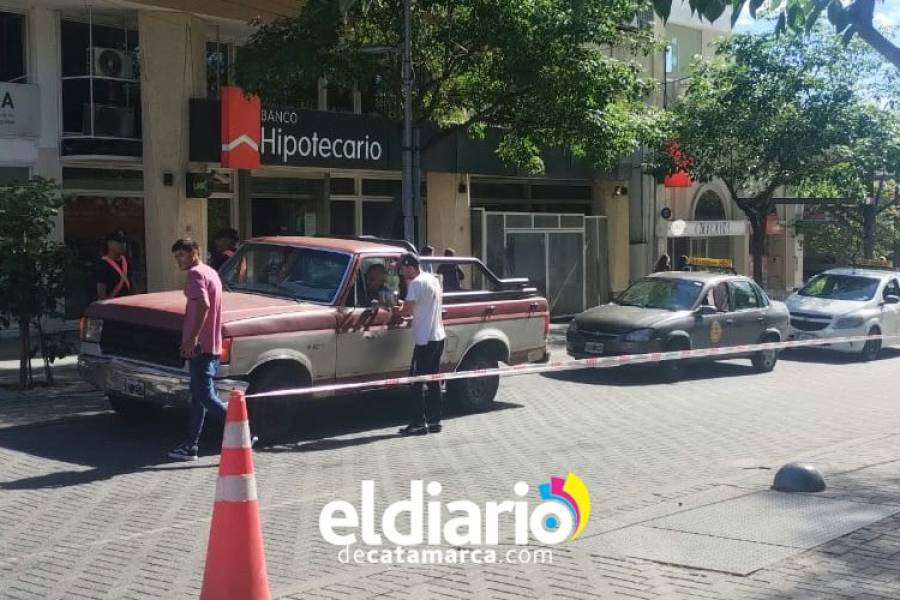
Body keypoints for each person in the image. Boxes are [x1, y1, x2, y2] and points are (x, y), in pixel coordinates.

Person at [167, 238, 229, 461]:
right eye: (176, 257)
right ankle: (190, 446)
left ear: (194, 252)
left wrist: (191, 338)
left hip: (200, 345)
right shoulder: (211, 272)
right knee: (198, 398)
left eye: (181, 255)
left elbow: (203, 304)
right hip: (211, 343)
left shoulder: (195, 274)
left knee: (204, 395)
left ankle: (242, 428)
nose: (178, 261)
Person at [393, 253, 446, 435]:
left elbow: (405, 311)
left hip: (424, 340)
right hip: (438, 336)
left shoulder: (415, 283)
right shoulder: (432, 280)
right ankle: (435, 421)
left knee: (416, 382)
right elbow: (421, 304)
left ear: (410, 266)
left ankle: (417, 422)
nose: (401, 273)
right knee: (433, 380)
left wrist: (391, 308)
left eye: (402, 269)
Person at [96, 231, 133, 300]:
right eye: (119, 242)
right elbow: (101, 289)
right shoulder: (103, 264)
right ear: (109, 244)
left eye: (124, 242)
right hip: (113, 305)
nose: (123, 245)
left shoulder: (126, 261)